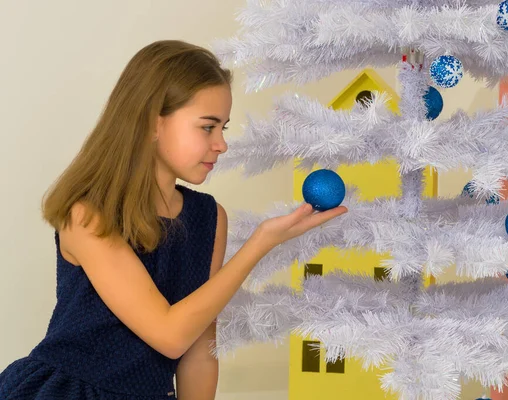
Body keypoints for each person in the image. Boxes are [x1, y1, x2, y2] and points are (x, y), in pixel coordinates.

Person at [0, 40, 347, 400]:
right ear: (152, 123)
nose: (222, 145)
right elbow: (169, 335)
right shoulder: (88, 215)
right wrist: (259, 244)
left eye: (223, 128)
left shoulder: (208, 217)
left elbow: (197, 351)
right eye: (207, 127)